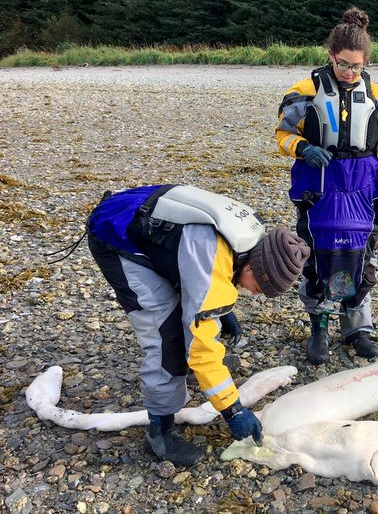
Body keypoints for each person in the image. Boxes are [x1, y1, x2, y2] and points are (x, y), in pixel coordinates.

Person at [85, 184, 310, 464]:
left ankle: (186, 381)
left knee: (189, 317)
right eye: (260, 288)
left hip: (153, 225)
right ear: (251, 267)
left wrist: (221, 311)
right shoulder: (212, 252)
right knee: (166, 337)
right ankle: (160, 433)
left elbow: (207, 276)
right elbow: (202, 345)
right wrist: (232, 409)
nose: (255, 294)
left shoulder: (252, 241)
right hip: (116, 236)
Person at [275, 7, 378, 365]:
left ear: (365, 63)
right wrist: (302, 147)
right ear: (331, 56)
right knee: (318, 258)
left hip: (362, 187)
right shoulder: (305, 90)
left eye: (355, 66)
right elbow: (281, 135)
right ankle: (319, 326)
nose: (348, 72)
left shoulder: (375, 93)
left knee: (362, 256)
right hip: (320, 187)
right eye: (343, 64)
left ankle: (357, 327)